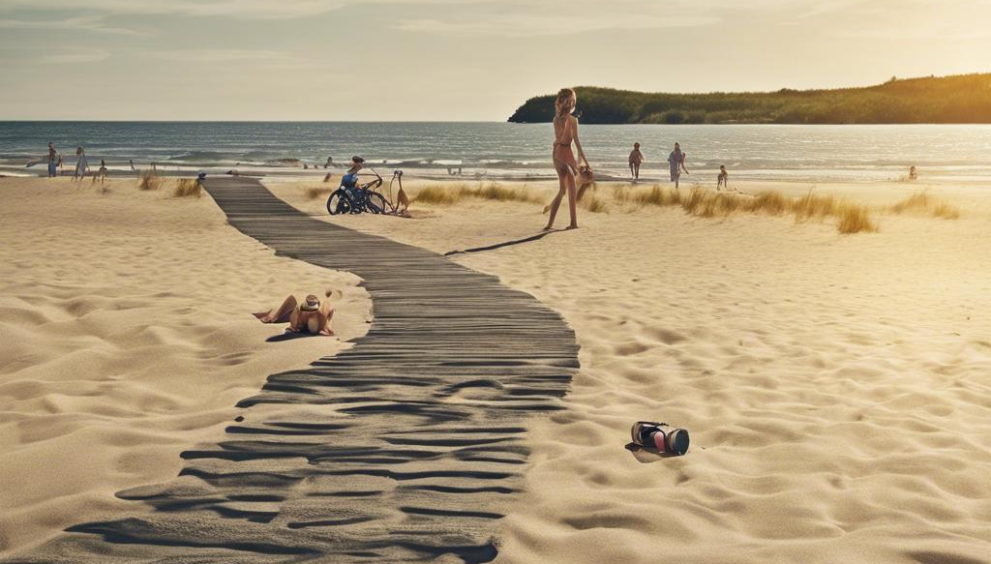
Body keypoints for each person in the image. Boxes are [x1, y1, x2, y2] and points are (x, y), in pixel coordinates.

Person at [545, 88, 590, 231]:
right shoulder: (566, 120)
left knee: (566, 190)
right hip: (562, 153)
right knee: (567, 189)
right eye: (570, 101)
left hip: (562, 153)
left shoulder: (564, 120)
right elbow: (568, 140)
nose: (571, 104)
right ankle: (564, 223)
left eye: (572, 101)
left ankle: (560, 224)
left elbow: (569, 140)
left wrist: (582, 160)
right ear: (567, 102)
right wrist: (585, 161)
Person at [255, 294, 335, 336]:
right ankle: (273, 318)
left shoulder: (322, 314)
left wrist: (329, 326)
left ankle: (273, 318)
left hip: (304, 320)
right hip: (295, 315)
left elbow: (331, 309)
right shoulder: (299, 317)